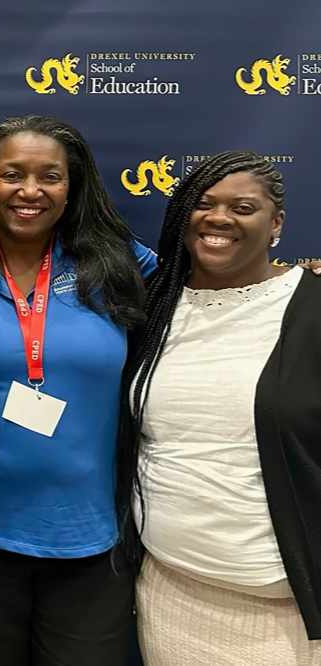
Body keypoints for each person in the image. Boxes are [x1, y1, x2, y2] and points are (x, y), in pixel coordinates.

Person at [0, 115, 156, 665]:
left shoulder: (119, 264)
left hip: (89, 536)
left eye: (49, 176)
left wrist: (287, 284)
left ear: (72, 187)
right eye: (12, 174)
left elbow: (207, 294)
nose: (30, 191)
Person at [122, 151, 321, 664]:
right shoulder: (154, 305)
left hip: (287, 612)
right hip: (168, 592)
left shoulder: (311, 306)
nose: (219, 217)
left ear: (276, 223)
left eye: (243, 207)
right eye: (204, 203)